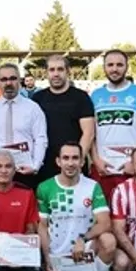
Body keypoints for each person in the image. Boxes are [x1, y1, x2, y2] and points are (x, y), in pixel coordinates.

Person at [37, 143, 116, 271]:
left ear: (82, 162)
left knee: (108, 240)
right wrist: (47, 259)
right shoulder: (45, 187)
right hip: (58, 257)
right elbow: (42, 226)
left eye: (75, 158)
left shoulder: (92, 186)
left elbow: (105, 223)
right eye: (66, 158)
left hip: (85, 249)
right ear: (58, 161)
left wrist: (82, 239)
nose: (70, 163)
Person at [89, 50, 136, 201]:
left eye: (119, 65)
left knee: (133, 211)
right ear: (104, 67)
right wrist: (96, 160)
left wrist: (135, 161)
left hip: (131, 169)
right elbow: (90, 133)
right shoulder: (95, 95)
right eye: (110, 65)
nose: (114, 69)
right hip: (103, 168)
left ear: (127, 67)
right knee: (103, 213)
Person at [31, 55, 96, 186]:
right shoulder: (37, 99)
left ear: (67, 71)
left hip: (73, 167)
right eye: (52, 70)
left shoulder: (81, 97)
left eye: (60, 69)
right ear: (46, 72)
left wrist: (76, 160)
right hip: (45, 165)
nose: (56, 74)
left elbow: (88, 133)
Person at [0, 63, 48, 190]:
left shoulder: (33, 108)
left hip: (24, 172)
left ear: (19, 81)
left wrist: (35, 166)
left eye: (13, 78)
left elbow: (40, 138)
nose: (8, 83)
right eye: (3, 79)